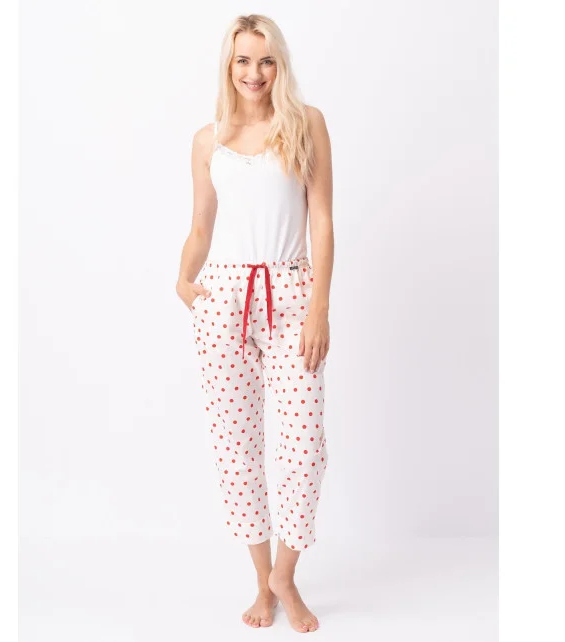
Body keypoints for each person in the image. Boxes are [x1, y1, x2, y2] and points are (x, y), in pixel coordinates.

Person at [176, 14, 334, 634]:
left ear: (280, 65)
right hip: (224, 300)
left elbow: (321, 220)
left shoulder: (305, 124)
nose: (254, 72)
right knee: (236, 448)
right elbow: (201, 225)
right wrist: (183, 279)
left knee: (305, 448)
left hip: (292, 291)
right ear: (228, 65)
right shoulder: (207, 140)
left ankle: (284, 578)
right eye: (243, 60)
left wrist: (319, 306)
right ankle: (260, 581)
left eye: (266, 60)